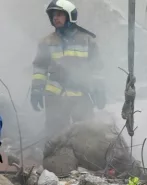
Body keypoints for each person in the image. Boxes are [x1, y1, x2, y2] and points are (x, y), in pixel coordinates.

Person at [31, 1, 104, 139]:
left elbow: (97, 69)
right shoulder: (46, 42)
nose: (55, 18)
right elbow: (40, 68)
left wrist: (99, 90)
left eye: (59, 15)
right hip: (55, 97)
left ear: (70, 16)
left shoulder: (87, 40)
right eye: (53, 15)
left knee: (87, 134)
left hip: (81, 95)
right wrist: (36, 90)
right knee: (55, 137)